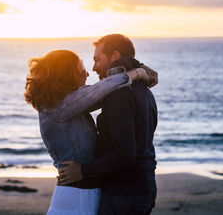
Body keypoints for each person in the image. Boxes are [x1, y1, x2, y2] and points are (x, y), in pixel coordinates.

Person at [24, 49, 153, 214]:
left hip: (85, 193)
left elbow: (103, 92)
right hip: (75, 196)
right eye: (81, 72)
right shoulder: (57, 106)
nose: (86, 75)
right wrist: (139, 72)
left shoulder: (71, 105)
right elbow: (105, 87)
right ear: (66, 76)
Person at [58, 34, 158, 215]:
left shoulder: (120, 94)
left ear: (115, 56)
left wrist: (83, 171)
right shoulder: (144, 89)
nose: (94, 67)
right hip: (142, 188)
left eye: (97, 60)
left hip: (123, 194)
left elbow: (125, 154)